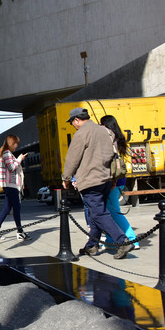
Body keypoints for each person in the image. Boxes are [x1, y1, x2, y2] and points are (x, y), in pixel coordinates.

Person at [61, 107, 133, 260]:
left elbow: (72, 158)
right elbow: (113, 157)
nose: (73, 125)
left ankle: (122, 241)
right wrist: (113, 179)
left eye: (72, 122)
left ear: (77, 120)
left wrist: (66, 178)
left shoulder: (81, 134)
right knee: (96, 213)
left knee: (99, 213)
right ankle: (91, 246)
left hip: (90, 180)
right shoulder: (105, 131)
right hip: (106, 179)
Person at [100, 115, 139, 250]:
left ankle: (132, 239)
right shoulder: (119, 139)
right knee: (110, 212)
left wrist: (113, 182)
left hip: (114, 181)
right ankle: (112, 239)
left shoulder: (110, 140)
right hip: (120, 179)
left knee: (114, 211)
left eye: (102, 125)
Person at [0, 134, 30, 240]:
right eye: (16, 143)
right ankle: (19, 231)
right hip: (10, 185)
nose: (17, 145)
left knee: (7, 208)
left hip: (9, 185)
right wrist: (20, 159)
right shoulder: (7, 153)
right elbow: (12, 167)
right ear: (11, 143)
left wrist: (17, 159)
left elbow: (10, 166)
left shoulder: (6, 153)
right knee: (16, 208)